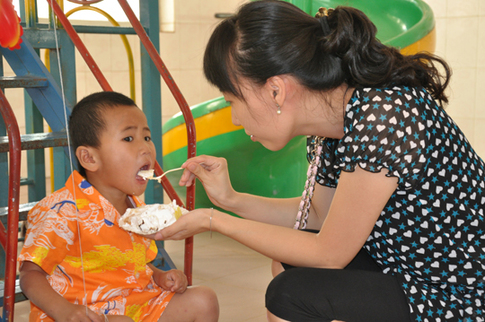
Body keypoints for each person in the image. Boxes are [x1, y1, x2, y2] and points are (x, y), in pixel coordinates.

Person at [153, 1, 485, 321]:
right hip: (408, 268)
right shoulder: (332, 121)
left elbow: (328, 253)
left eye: (232, 101)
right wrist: (231, 200)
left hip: (458, 292)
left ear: (275, 91)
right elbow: (316, 215)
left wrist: (214, 220)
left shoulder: (383, 117)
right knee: (288, 265)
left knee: (291, 293)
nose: (236, 118)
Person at [18, 92, 219, 322]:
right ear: (89, 158)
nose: (146, 149)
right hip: (79, 315)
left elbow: (133, 264)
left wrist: (160, 277)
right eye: (128, 139)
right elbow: (30, 275)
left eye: (147, 137)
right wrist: (64, 311)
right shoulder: (60, 210)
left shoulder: (135, 208)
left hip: (134, 305)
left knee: (204, 300)